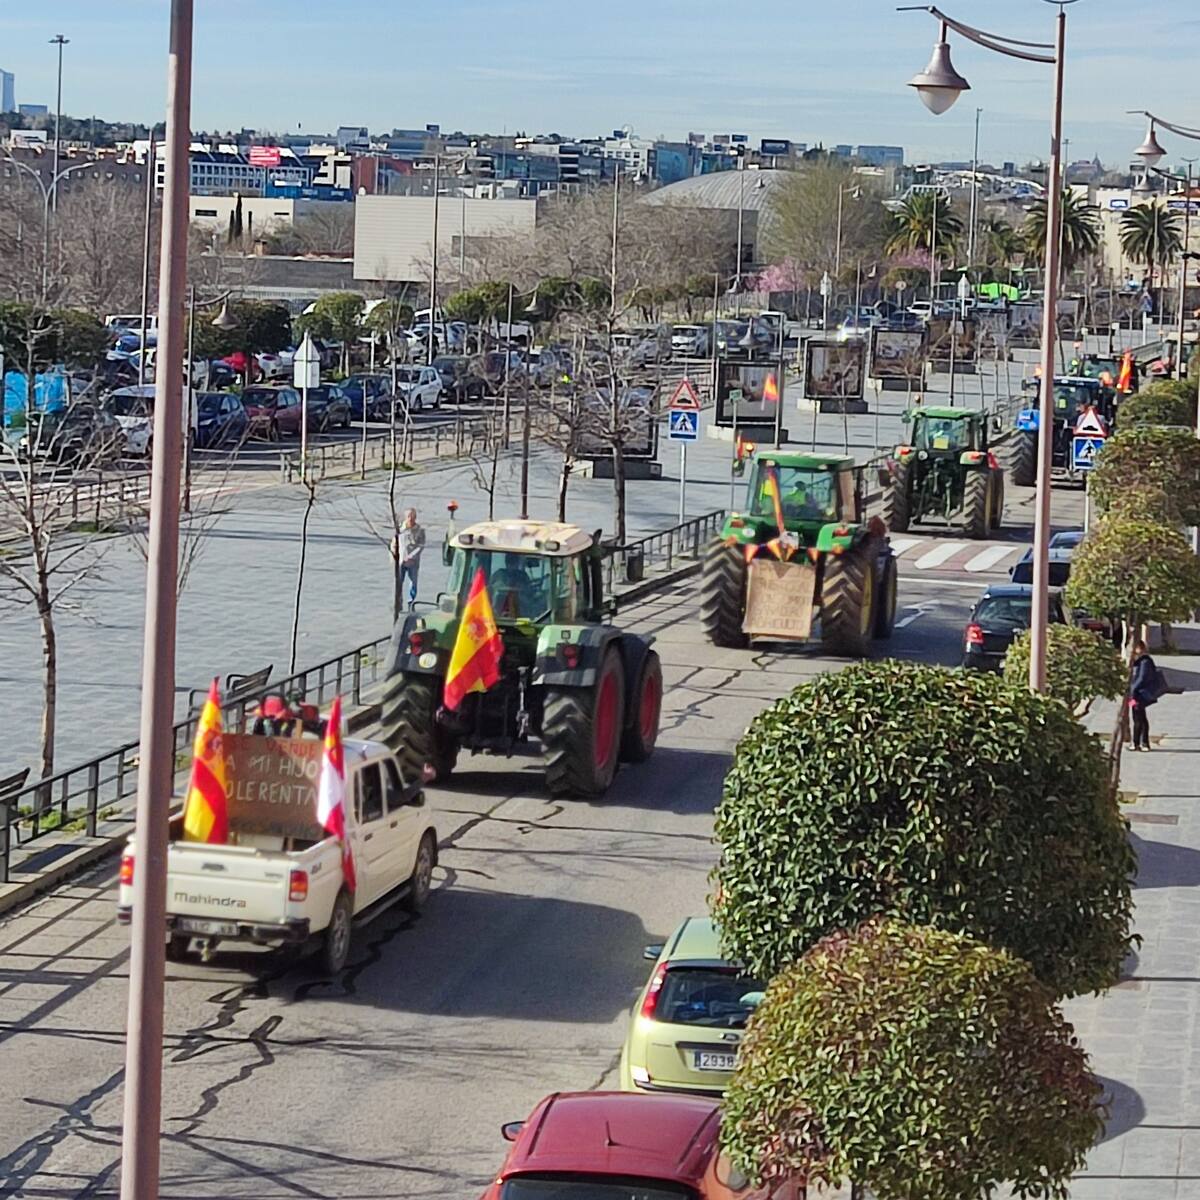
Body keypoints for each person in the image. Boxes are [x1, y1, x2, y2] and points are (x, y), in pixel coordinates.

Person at [1128, 639, 1160, 751]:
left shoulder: (1145, 661)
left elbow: (1141, 678)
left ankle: (1139, 743)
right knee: (1138, 716)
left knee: (1139, 717)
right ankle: (1140, 742)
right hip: (1134, 694)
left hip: (1139, 694)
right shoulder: (1138, 661)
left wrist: (1133, 690)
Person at [395, 509, 426, 610]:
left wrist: (411, 557)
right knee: (399, 581)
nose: (410, 519)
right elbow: (395, 543)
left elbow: (421, 546)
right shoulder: (400, 529)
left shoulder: (420, 530)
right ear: (405, 517)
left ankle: (411, 603)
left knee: (413, 583)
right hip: (400, 561)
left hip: (413, 561)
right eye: (409, 516)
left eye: (413, 516)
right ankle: (398, 602)